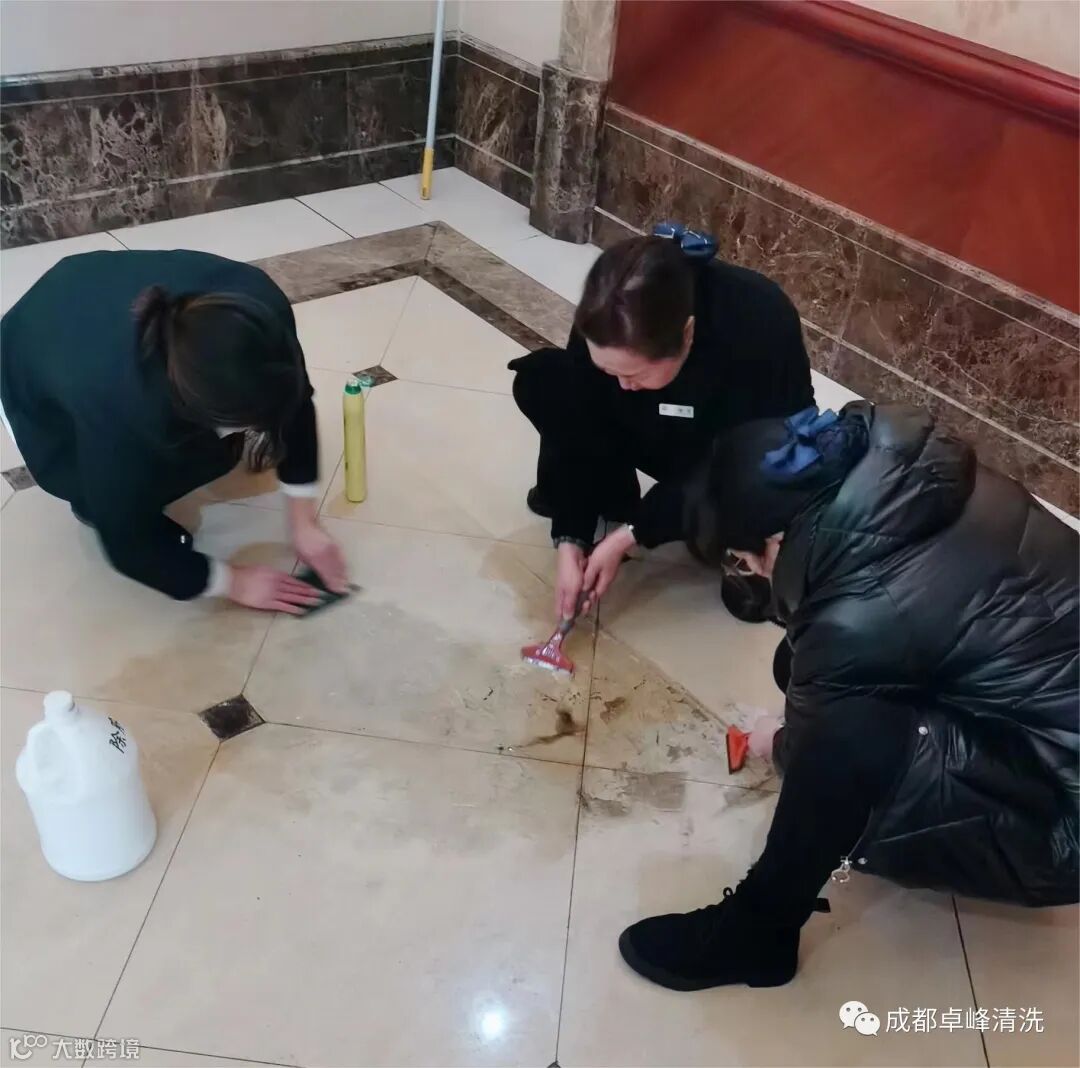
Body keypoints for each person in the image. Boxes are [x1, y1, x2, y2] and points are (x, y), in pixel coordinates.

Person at [619, 401, 1079, 992]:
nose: (751, 574)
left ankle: (756, 936)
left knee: (837, 750)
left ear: (775, 539)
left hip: (1062, 823)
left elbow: (833, 741)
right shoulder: (908, 475)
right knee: (803, 667)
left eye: (744, 560)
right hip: (1052, 727)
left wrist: (786, 744)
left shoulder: (859, 617)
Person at [0, 248, 347, 613]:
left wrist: (303, 519)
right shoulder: (121, 404)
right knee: (108, 494)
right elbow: (127, 544)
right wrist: (232, 582)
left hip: (95, 293)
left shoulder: (260, 310)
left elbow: (294, 402)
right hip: (28, 350)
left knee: (207, 452)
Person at [509, 225, 814, 624]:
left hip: (727, 451)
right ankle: (611, 492)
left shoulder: (757, 318)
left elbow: (778, 448)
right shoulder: (607, 310)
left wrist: (634, 533)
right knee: (545, 381)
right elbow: (580, 416)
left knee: (755, 578)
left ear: (687, 334)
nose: (622, 384)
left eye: (634, 374)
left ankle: (724, 532)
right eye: (611, 370)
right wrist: (570, 536)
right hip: (657, 428)